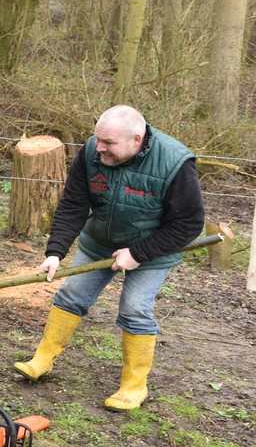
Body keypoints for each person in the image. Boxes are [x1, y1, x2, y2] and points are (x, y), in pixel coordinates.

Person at [15, 105, 204, 412]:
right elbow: (74, 203)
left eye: (109, 143)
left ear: (136, 140)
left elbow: (188, 224)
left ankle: (134, 386)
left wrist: (139, 253)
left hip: (153, 250)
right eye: (98, 139)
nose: (99, 147)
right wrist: (55, 252)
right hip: (100, 241)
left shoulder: (175, 163)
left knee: (135, 309)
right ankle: (42, 360)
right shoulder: (92, 151)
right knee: (71, 295)